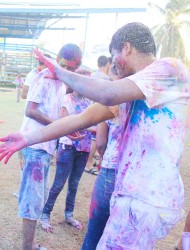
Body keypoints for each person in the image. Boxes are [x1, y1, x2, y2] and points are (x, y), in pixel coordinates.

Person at [0, 22, 190, 249]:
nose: (113, 62)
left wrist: (58, 70)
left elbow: (106, 92)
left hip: (147, 199)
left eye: (114, 55)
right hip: (133, 197)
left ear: (126, 48)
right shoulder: (134, 92)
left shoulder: (170, 69)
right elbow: (79, 119)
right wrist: (28, 138)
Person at [17, 44, 81, 250]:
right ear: (58, 61)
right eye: (65, 66)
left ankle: (31, 244)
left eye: (73, 68)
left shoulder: (62, 81)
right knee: (32, 200)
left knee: (38, 198)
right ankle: (28, 247)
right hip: (34, 146)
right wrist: (59, 127)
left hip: (44, 147)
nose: (68, 71)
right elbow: (30, 110)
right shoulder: (45, 77)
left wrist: (63, 128)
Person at [40, 68, 94, 233]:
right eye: (82, 81)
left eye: (88, 82)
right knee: (59, 183)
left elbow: (95, 124)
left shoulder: (90, 103)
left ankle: (69, 214)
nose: (85, 85)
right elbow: (63, 124)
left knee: (74, 184)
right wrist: (83, 128)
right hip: (67, 147)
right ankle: (45, 214)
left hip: (84, 148)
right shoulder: (67, 99)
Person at [81, 65, 122, 250]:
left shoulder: (112, 102)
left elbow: (101, 143)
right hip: (135, 177)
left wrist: (103, 158)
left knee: (94, 233)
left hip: (110, 170)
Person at [84, 55, 112, 174]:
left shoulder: (92, 76)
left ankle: (88, 161)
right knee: (96, 138)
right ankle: (89, 163)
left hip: (88, 109)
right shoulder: (106, 79)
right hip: (99, 110)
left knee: (91, 138)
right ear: (107, 64)